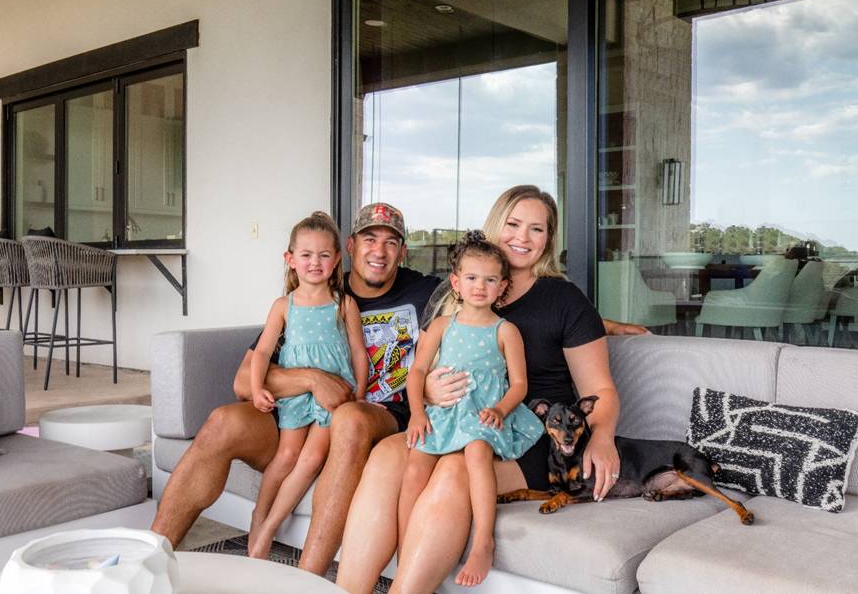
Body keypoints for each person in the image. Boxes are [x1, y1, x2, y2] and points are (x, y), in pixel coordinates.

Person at [336, 185, 627, 594]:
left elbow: (601, 389)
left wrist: (604, 436)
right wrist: (431, 393)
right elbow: (423, 363)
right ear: (495, 225)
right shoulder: (453, 292)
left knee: (455, 470)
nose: (522, 238)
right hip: (453, 419)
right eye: (512, 224)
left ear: (549, 240)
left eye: (537, 229)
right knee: (387, 455)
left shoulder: (563, 299)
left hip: (527, 436)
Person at [151, 202, 440, 577]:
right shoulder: (310, 294)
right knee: (223, 421)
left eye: (391, 243)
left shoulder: (425, 292)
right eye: (370, 239)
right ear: (350, 248)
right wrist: (310, 378)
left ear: (403, 251)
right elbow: (243, 381)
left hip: (376, 416)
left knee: (349, 418)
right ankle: (149, 559)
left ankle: (306, 580)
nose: (380, 252)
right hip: (297, 415)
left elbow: (482, 289)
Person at [399, 231, 543, 587]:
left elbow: (520, 384)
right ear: (456, 282)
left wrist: (500, 409)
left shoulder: (505, 330)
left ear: (502, 287)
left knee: (478, 453)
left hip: (482, 413)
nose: (480, 286)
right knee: (415, 468)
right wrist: (417, 412)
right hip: (444, 413)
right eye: (472, 278)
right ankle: (405, 553)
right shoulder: (443, 325)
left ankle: (483, 541)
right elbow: (416, 372)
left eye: (490, 279)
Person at [246, 212, 368, 559]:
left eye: (324, 255)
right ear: (291, 260)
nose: (315, 262)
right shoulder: (284, 306)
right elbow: (263, 352)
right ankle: (259, 516)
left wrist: (357, 394)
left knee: (312, 457)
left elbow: (359, 352)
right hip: (297, 395)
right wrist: (257, 389)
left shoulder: (343, 304)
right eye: (306, 255)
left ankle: (269, 530)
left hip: (335, 396)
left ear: (336, 261)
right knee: (286, 456)